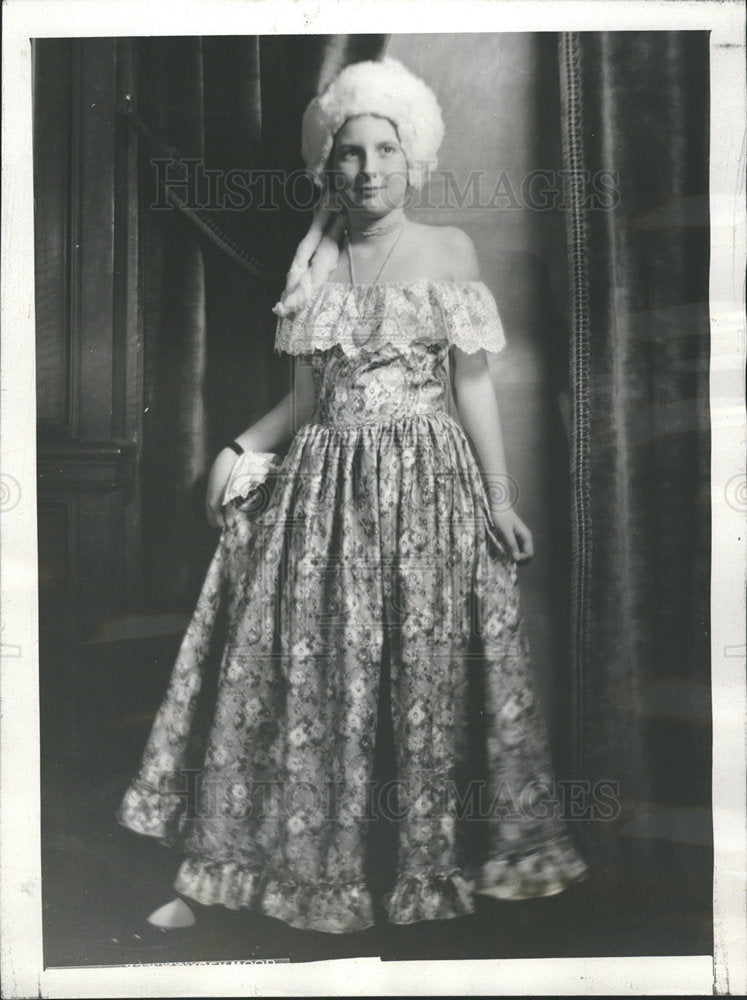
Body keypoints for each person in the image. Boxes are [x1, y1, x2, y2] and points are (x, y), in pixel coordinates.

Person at [118, 56, 588, 935]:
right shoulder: (313, 271)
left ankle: (424, 875)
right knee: (308, 679)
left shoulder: (450, 250)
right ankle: (267, 874)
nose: (368, 169)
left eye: (385, 150)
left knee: (424, 682)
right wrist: (234, 450)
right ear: (326, 165)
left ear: (413, 160)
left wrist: (498, 499)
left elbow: (472, 384)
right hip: (324, 500)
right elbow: (303, 403)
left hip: (427, 495)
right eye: (350, 152)